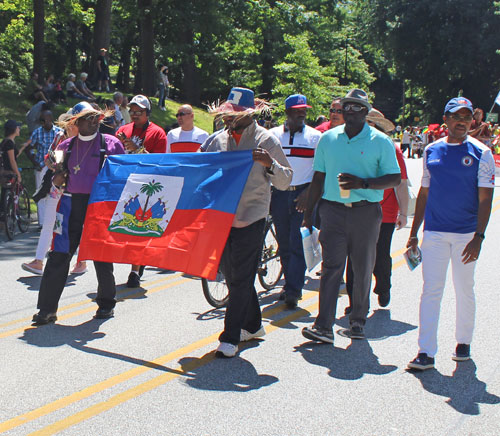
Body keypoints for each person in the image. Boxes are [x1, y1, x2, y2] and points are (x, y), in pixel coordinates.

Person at [300, 89, 401, 344]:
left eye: (357, 107)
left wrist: (363, 183)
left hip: (366, 212)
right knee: (331, 267)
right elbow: (319, 177)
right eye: (346, 107)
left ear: (367, 112)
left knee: (362, 266)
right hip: (332, 210)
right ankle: (323, 325)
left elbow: (394, 178)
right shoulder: (328, 139)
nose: (351, 111)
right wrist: (309, 214)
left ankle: (357, 321)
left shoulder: (380, 141)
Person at [407, 97, 495, 370]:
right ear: (445, 119)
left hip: (465, 236)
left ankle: (463, 343)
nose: (462, 121)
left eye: (467, 117)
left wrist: (478, 237)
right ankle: (426, 352)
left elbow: (485, 199)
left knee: (464, 289)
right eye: (456, 116)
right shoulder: (431, 150)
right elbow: (424, 191)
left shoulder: (482, 153)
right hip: (434, 233)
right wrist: (413, 234)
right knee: (431, 290)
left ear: (472, 120)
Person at [205, 87, 293, 357]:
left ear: (250, 115)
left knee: (242, 277)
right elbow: (199, 167)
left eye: (235, 115)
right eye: (227, 115)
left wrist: (269, 164)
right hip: (222, 216)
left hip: (251, 216)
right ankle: (254, 325)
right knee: (232, 275)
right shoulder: (216, 140)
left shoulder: (266, 140)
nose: (229, 119)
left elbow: (286, 179)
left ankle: (230, 337)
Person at [32, 105, 125, 325]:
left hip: (98, 206)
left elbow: (122, 177)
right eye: (87, 118)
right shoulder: (65, 146)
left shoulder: (111, 144)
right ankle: (47, 310)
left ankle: (106, 304)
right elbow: (55, 174)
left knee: (101, 255)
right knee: (59, 255)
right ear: (76, 123)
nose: (93, 121)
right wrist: (56, 178)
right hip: (70, 204)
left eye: (96, 118)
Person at [344, 108, 409, 312]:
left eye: (370, 124)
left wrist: (404, 213)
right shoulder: (349, 146)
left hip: (385, 210)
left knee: (380, 254)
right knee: (354, 256)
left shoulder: (391, 149)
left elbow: (402, 183)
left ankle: (383, 286)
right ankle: (355, 302)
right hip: (354, 209)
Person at [22, 107, 89, 276]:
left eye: (71, 123)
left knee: (76, 225)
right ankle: (38, 261)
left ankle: (81, 261)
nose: (68, 127)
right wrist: (53, 163)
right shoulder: (60, 136)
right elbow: (49, 157)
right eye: (67, 123)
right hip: (57, 186)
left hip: (78, 189)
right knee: (49, 223)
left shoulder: (88, 139)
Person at [269, 94, 321, 309]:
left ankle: (294, 289)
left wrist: (310, 192)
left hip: (303, 194)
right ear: (288, 111)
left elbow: (321, 169)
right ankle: (289, 282)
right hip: (279, 193)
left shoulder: (316, 137)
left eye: (304, 110)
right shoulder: (272, 136)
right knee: (283, 241)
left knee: (298, 240)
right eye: (298, 109)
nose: (302, 113)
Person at [115, 95, 167, 287]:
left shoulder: (158, 133)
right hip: (123, 183)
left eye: (139, 112)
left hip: (146, 185)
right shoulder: (122, 130)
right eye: (132, 111)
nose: (134, 115)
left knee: (139, 228)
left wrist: (138, 149)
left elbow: (160, 163)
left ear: (147, 113)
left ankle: (135, 271)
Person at [27, 110, 62, 228]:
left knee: (55, 192)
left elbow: (62, 150)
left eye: (44, 120)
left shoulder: (59, 132)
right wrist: (35, 162)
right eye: (41, 120)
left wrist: (59, 166)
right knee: (41, 193)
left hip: (54, 167)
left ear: (50, 119)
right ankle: (42, 223)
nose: (42, 122)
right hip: (41, 166)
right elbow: (29, 148)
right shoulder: (37, 132)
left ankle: (54, 220)